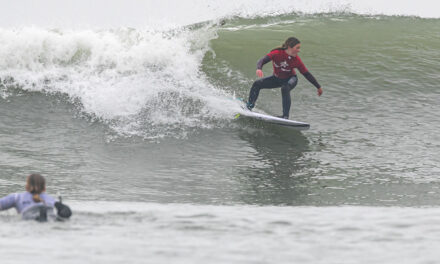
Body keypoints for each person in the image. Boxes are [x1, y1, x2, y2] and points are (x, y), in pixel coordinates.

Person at [246, 37, 323, 119]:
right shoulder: (277, 53)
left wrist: (318, 87)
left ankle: (285, 116)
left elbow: (306, 74)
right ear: (290, 47)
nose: (299, 50)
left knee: (285, 88)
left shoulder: (296, 60)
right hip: (276, 79)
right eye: (297, 48)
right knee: (257, 84)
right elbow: (262, 60)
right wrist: (259, 68)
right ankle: (250, 106)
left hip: (291, 79)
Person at [0, 174, 72, 222]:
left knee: (36, 218)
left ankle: (41, 217)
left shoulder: (16, 197)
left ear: (27, 186)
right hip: (49, 214)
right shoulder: (50, 198)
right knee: (52, 218)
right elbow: (65, 210)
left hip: (29, 215)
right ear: (44, 187)